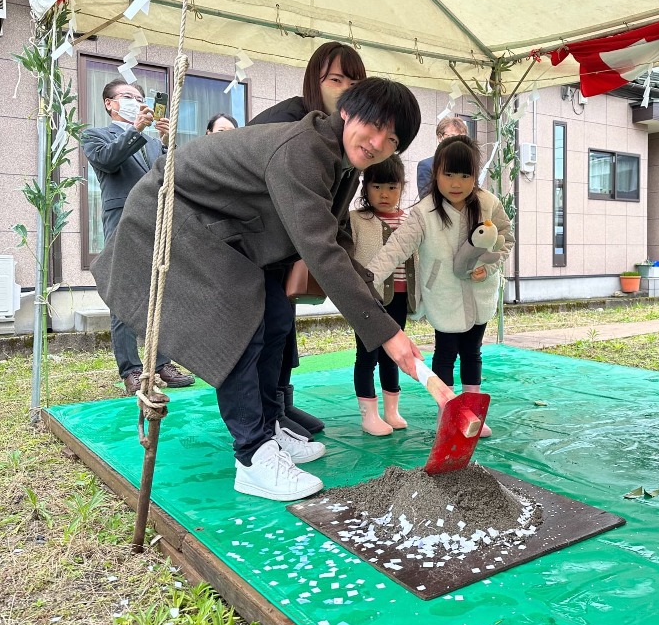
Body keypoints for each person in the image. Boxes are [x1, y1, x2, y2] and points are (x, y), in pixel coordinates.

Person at [91, 78, 426, 502]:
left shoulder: (343, 163)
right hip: (178, 215)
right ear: (347, 112)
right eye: (373, 125)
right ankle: (252, 456)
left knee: (277, 321)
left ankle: (268, 429)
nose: (377, 142)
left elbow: (337, 237)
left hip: (229, 231)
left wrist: (375, 307)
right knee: (239, 327)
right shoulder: (303, 148)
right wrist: (386, 333)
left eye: (392, 138)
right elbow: (320, 251)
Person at [245, 42, 367, 439]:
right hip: (249, 240)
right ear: (314, 83)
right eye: (336, 80)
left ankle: (279, 406)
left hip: (283, 246)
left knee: (283, 326)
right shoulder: (290, 122)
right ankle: (261, 425)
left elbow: (335, 206)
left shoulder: (343, 133)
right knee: (268, 326)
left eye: (355, 82)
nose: (346, 89)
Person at [367, 136, 513, 438]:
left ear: (475, 176)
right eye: (449, 174)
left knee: (473, 352)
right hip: (444, 297)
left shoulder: (488, 203)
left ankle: (473, 413)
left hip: (480, 294)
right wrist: (367, 280)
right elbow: (396, 247)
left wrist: (490, 266)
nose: (456, 183)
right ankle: (446, 413)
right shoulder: (424, 213)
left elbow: (505, 239)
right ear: (436, 174)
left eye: (465, 175)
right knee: (445, 355)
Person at [81, 79, 195, 395]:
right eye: (128, 96)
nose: (136, 101)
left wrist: (170, 141)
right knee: (124, 295)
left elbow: (180, 173)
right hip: (123, 222)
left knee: (161, 291)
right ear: (109, 103)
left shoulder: (153, 142)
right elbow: (106, 160)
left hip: (158, 221)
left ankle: (161, 363)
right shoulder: (95, 135)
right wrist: (135, 130)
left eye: (140, 98)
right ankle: (130, 370)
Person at [348, 155, 417, 435]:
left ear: (402, 187)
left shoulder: (410, 221)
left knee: (393, 355)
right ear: (365, 187)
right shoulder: (356, 220)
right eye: (377, 187)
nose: (385, 194)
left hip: (399, 300)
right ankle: (369, 415)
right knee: (367, 356)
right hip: (367, 300)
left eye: (392, 186)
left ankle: (391, 410)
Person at [416, 117, 469, 199]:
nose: (458, 142)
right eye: (453, 137)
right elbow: (427, 200)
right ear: (440, 138)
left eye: (462, 138)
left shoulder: (469, 165)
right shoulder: (427, 166)